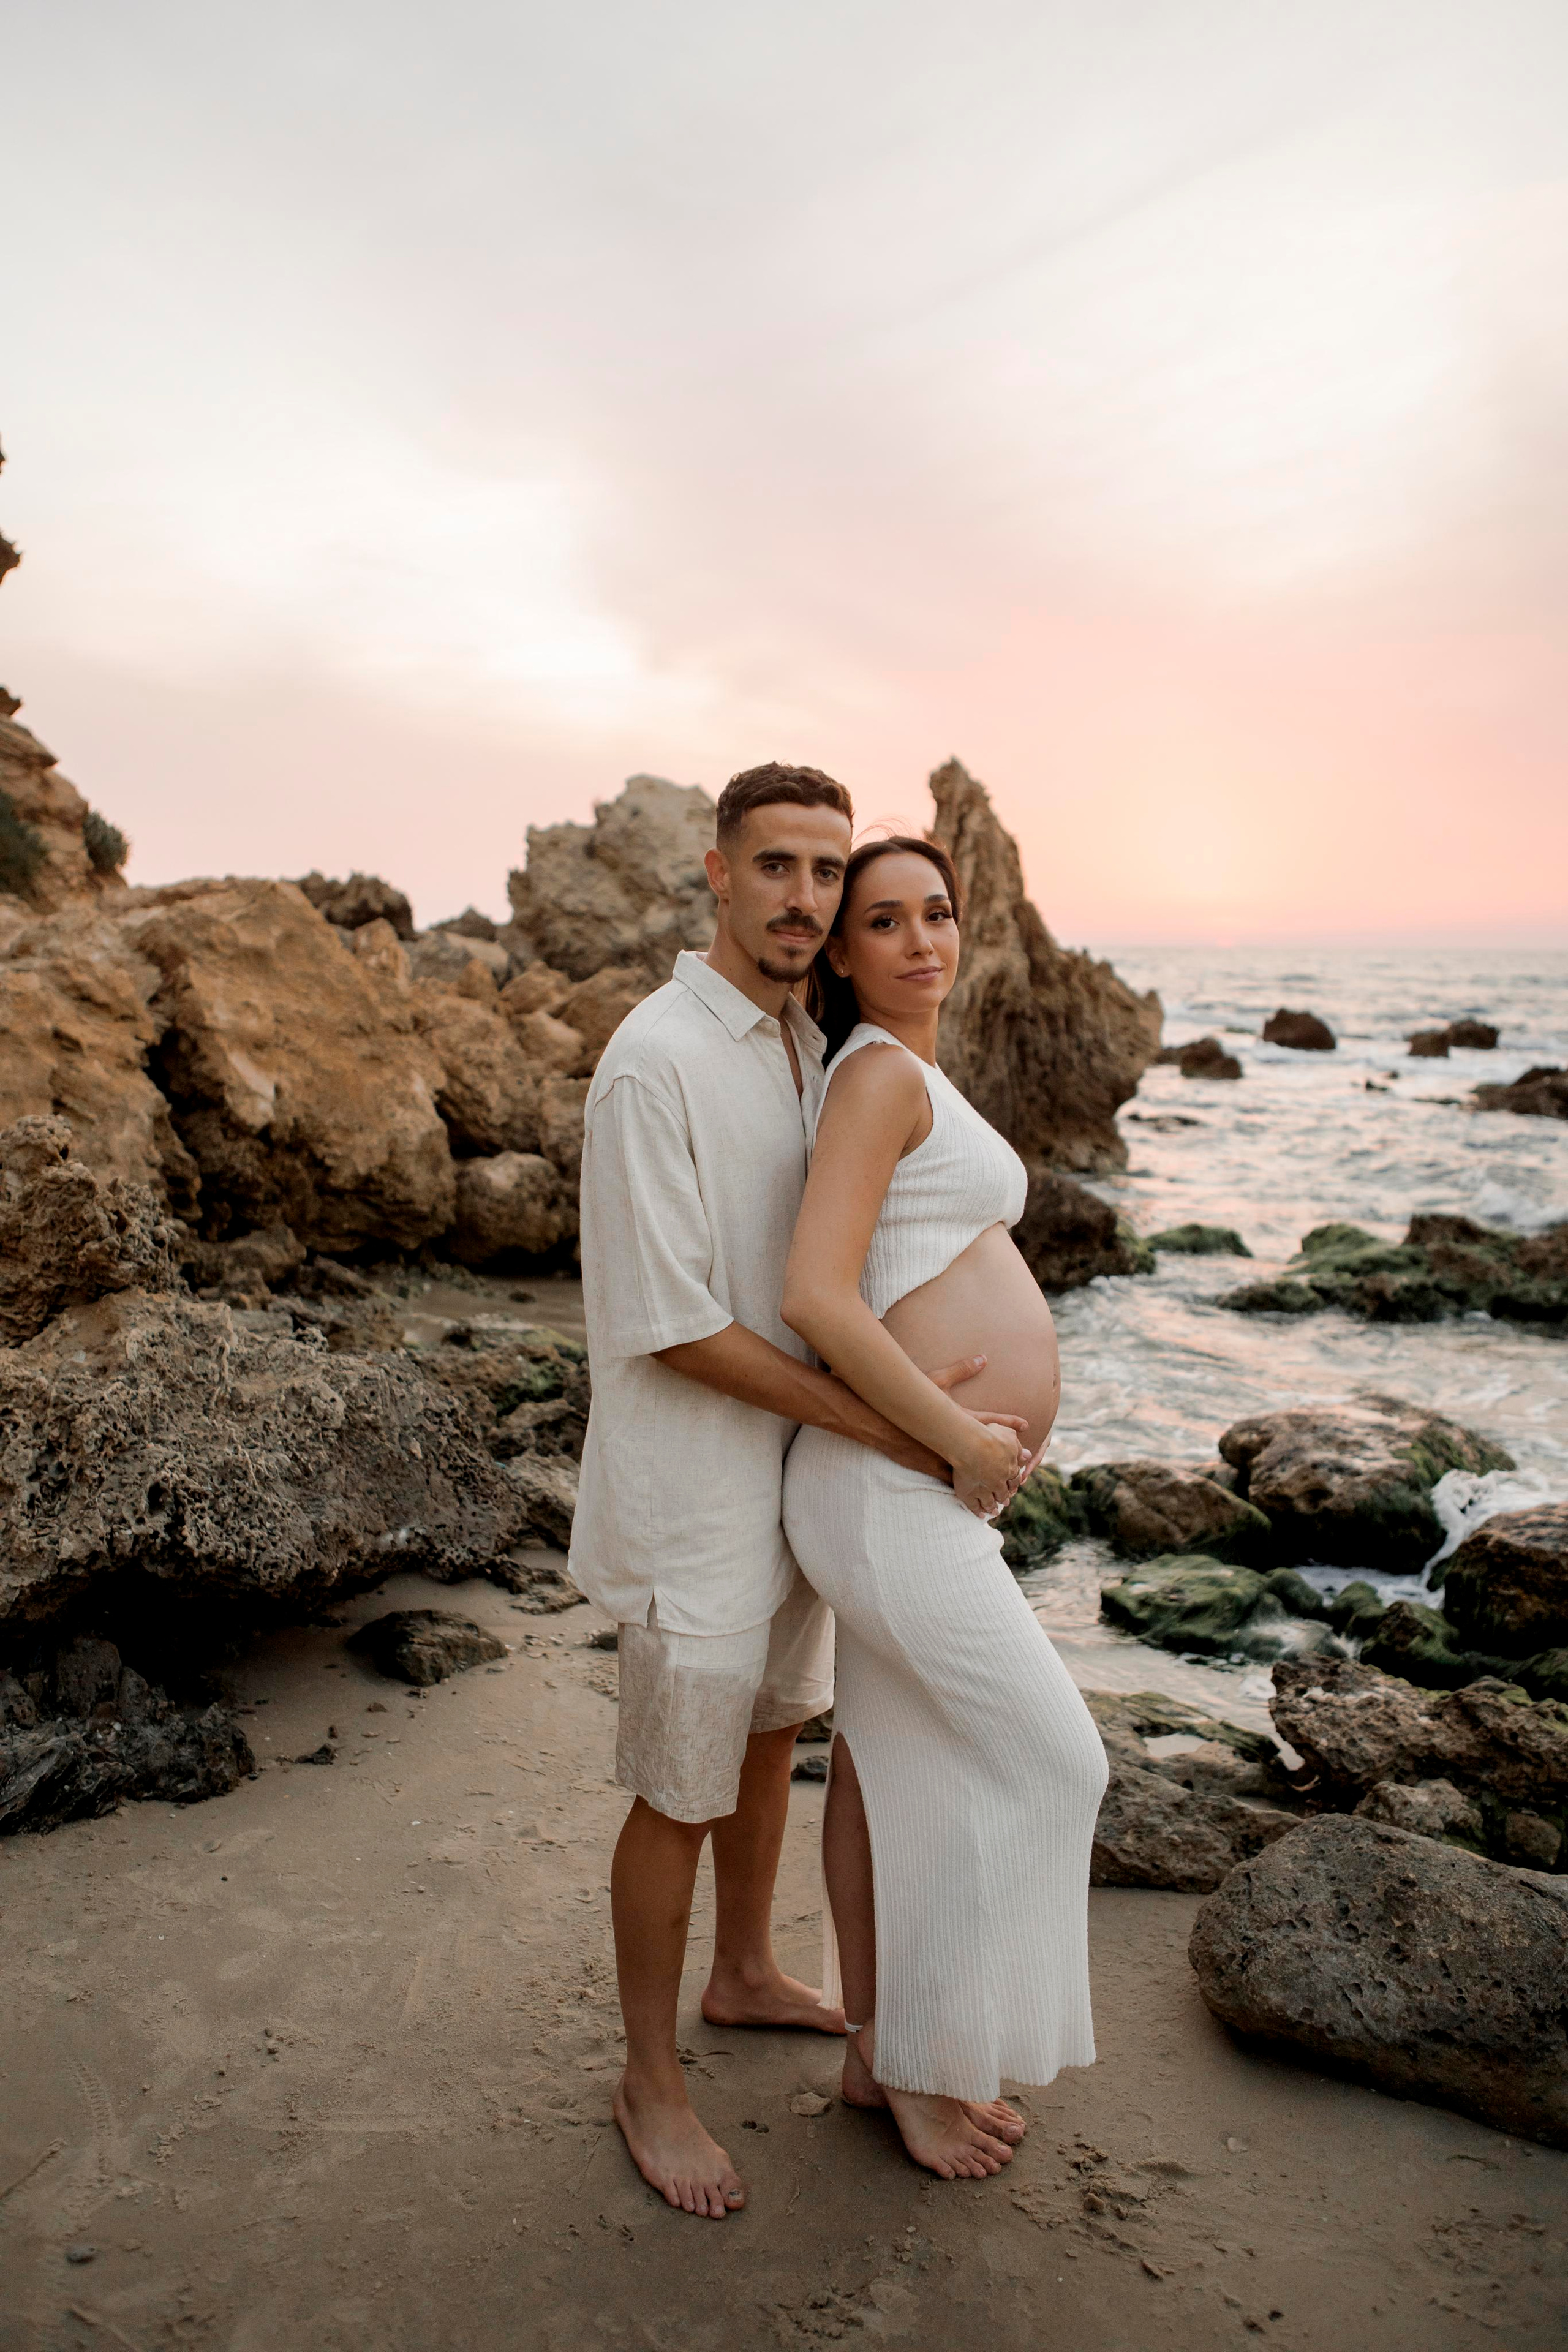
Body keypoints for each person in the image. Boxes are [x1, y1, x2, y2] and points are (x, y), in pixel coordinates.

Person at [568, 767, 1025, 2221]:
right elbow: (679, 1325)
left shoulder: (800, 1042)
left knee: (774, 1736)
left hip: (791, 1483)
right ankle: (648, 2081)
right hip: (690, 1489)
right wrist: (901, 1430)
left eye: (825, 874)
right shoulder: (656, 1060)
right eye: (775, 867)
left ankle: (748, 1969)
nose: (802, 898)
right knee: (677, 1787)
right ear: (715, 873)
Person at [781, 835, 1109, 2182]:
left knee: (892, 1772)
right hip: (886, 1488)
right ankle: (928, 2064)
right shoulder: (871, 1075)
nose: (920, 941)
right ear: (842, 954)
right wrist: (955, 1443)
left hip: (904, 1488)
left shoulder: (907, 1074)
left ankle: (878, 2053)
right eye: (882, 921)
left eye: (937, 913)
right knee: (1054, 1760)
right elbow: (816, 1294)